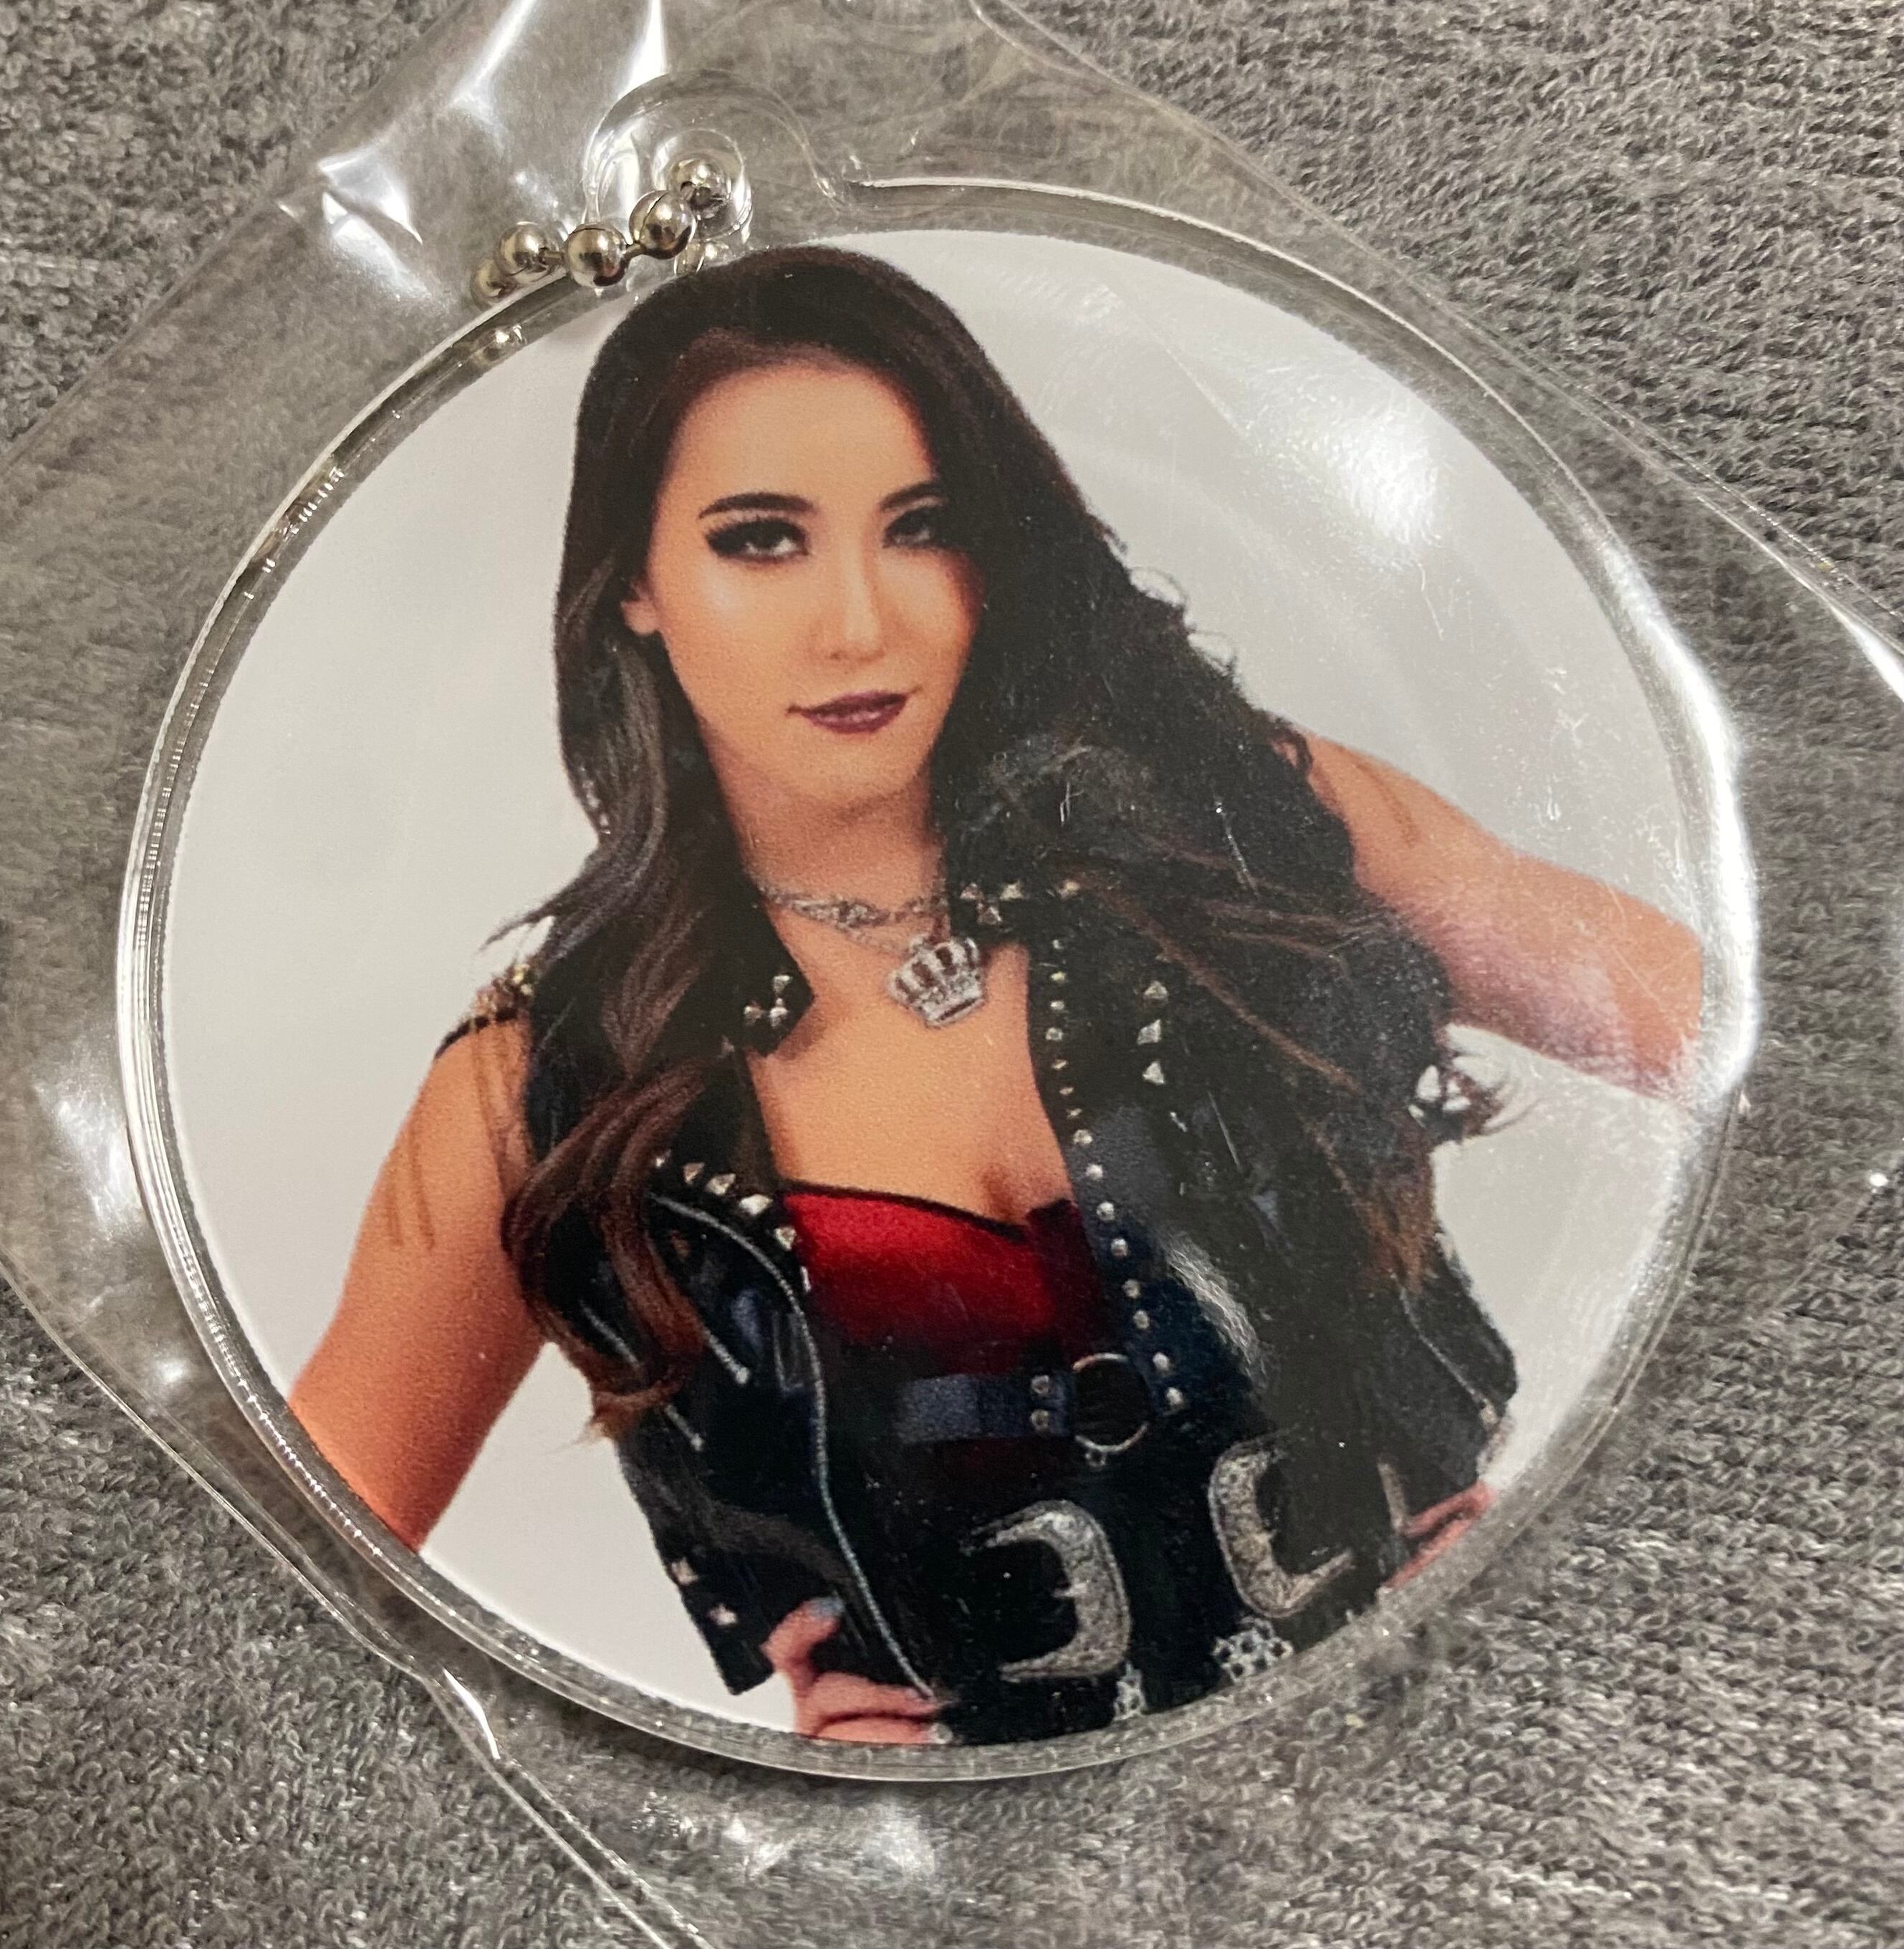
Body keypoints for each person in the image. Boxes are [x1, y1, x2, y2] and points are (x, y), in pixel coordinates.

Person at [289, 245, 1701, 1748]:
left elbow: (1767, 1041)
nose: (857, 623)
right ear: (631, 583)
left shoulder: (1246, 821)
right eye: (760, 540)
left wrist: (1594, 1517)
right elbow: (260, 1603)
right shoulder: (534, 1083)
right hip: (983, 1859)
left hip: (1475, 1745)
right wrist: (703, 1777)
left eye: (922, 526)